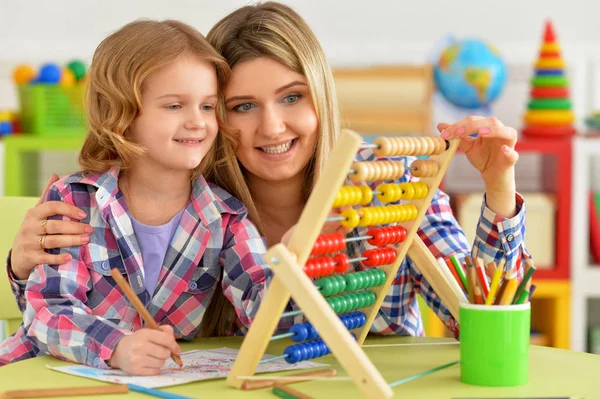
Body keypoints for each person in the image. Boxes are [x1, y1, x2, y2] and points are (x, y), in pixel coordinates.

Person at [6, 2, 527, 345]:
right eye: (241, 106)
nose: (272, 126)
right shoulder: (198, 202)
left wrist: (499, 190)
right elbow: (96, 307)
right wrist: (19, 267)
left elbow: (479, 321)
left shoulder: (391, 183)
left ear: (320, 95)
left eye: (292, 97)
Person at [0, 19, 273, 375]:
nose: (198, 122)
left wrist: (290, 273)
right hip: (40, 375)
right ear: (121, 115)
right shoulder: (75, 201)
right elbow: (49, 310)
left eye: (207, 106)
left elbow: (264, 305)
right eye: (175, 106)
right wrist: (114, 347)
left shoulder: (225, 218)